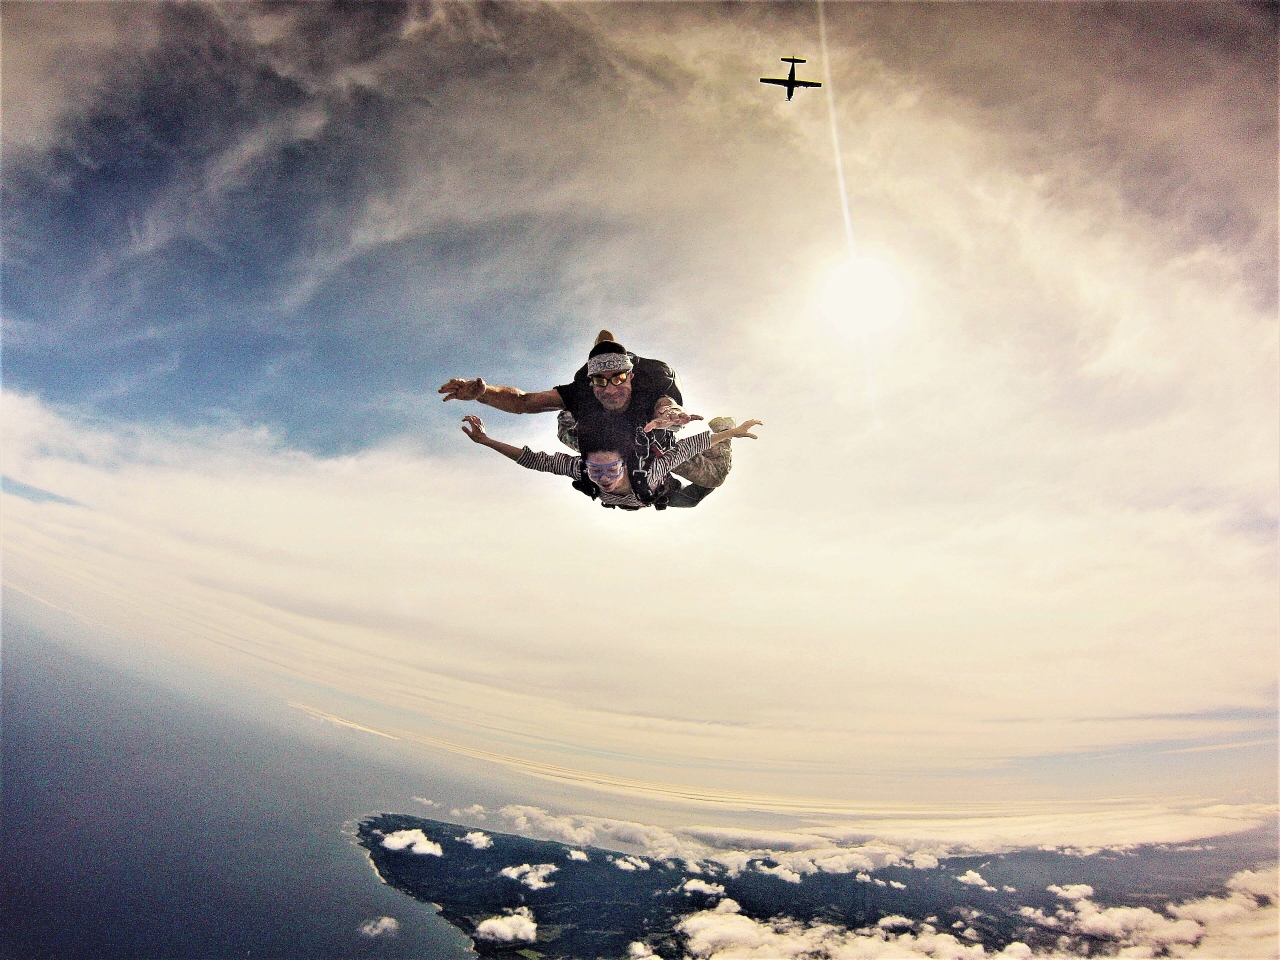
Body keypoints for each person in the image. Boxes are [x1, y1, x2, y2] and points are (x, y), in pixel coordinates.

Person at [439, 333, 735, 495]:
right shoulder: (582, 390)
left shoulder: (653, 382)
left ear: (631, 376)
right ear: (591, 381)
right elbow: (523, 401)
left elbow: (666, 405)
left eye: (619, 379)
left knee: (714, 477)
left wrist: (672, 416)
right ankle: (579, 422)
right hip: (607, 438)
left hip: (652, 437)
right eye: (600, 382)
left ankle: (724, 428)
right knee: (567, 429)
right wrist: (483, 392)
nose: (610, 390)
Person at [459, 413, 762, 511]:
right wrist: (485, 441)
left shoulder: (651, 470)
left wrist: (731, 432)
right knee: (569, 438)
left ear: (624, 466)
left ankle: (722, 425)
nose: (602, 478)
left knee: (715, 476)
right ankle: (576, 409)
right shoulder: (585, 469)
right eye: (595, 471)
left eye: (609, 470)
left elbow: (689, 446)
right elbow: (534, 461)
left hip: (653, 446)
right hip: (628, 448)